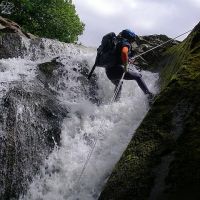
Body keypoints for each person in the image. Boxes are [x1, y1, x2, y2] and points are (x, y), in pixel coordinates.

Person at [105, 29, 154, 102]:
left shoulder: (117, 42)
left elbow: (119, 56)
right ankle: (149, 96)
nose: (133, 41)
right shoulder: (125, 43)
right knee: (138, 76)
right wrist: (125, 66)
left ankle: (115, 102)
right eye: (132, 39)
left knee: (119, 84)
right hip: (115, 70)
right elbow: (124, 53)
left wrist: (127, 60)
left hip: (109, 72)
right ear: (130, 38)